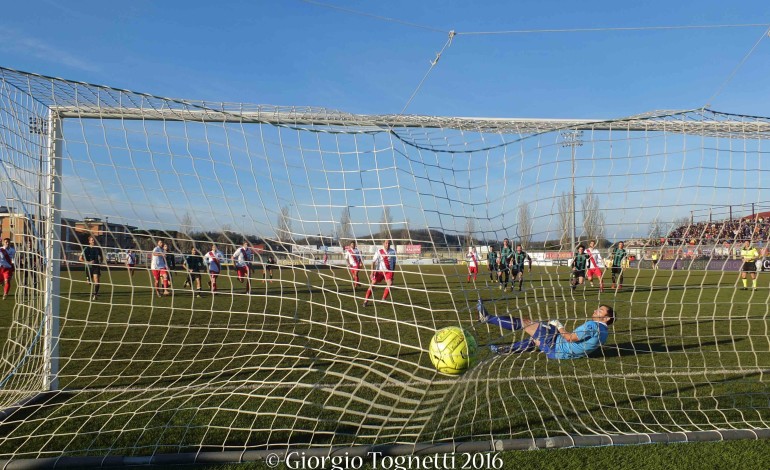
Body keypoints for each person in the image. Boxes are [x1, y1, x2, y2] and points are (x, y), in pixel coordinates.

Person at [478, 300, 615, 359]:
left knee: (526, 323)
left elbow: (569, 338)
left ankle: (487, 318)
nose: (596, 310)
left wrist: (559, 325)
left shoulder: (593, 325)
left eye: (601, 310)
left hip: (557, 346)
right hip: (559, 351)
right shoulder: (604, 332)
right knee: (536, 336)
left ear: (607, 318)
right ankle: (505, 350)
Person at [363, 240, 396, 307]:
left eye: (389, 243)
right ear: (383, 243)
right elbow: (373, 262)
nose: (387, 244)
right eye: (386, 243)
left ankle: (383, 299)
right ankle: (366, 300)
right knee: (373, 283)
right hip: (380, 271)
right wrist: (372, 273)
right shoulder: (379, 251)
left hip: (389, 271)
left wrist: (393, 272)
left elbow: (394, 262)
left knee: (390, 283)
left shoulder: (393, 252)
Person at [79, 236, 103, 301]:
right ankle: (88, 279)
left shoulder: (98, 249)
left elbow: (101, 257)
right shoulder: (86, 249)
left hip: (96, 266)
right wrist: (88, 262)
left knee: (96, 280)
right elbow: (80, 259)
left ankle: (95, 295)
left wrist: (100, 262)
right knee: (89, 282)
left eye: (94, 240)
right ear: (89, 241)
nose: (93, 241)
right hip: (89, 267)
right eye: (92, 240)